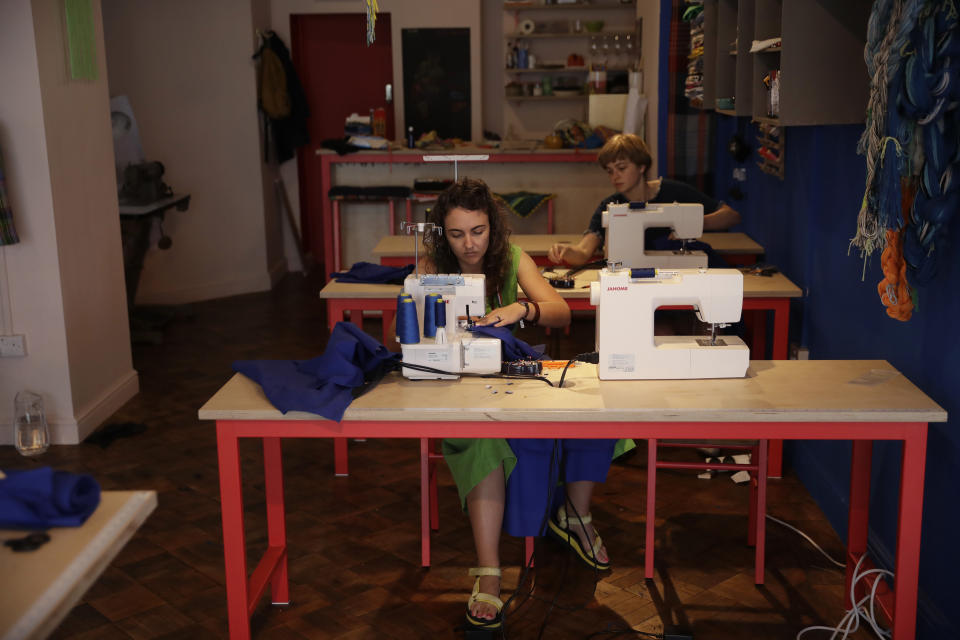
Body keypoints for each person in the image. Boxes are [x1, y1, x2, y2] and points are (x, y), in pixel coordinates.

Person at [410, 177, 625, 630]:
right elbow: (418, 319)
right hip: (455, 382)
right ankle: (489, 572)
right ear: (441, 234)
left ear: (493, 227)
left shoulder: (511, 259)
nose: (469, 244)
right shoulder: (433, 264)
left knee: (596, 412)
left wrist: (523, 308)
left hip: (508, 375)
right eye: (456, 233)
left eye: (478, 231)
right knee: (483, 441)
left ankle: (575, 514)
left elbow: (562, 312)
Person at [548, 133, 741, 266]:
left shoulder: (674, 191)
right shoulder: (610, 205)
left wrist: (695, 222)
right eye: (610, 171)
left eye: (622, 168)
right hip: (637, 278)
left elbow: (731, 216)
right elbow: (583, 251)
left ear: (641, 167)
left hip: (679, 272)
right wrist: (565, 251)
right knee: (660, 328)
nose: (615, 176)